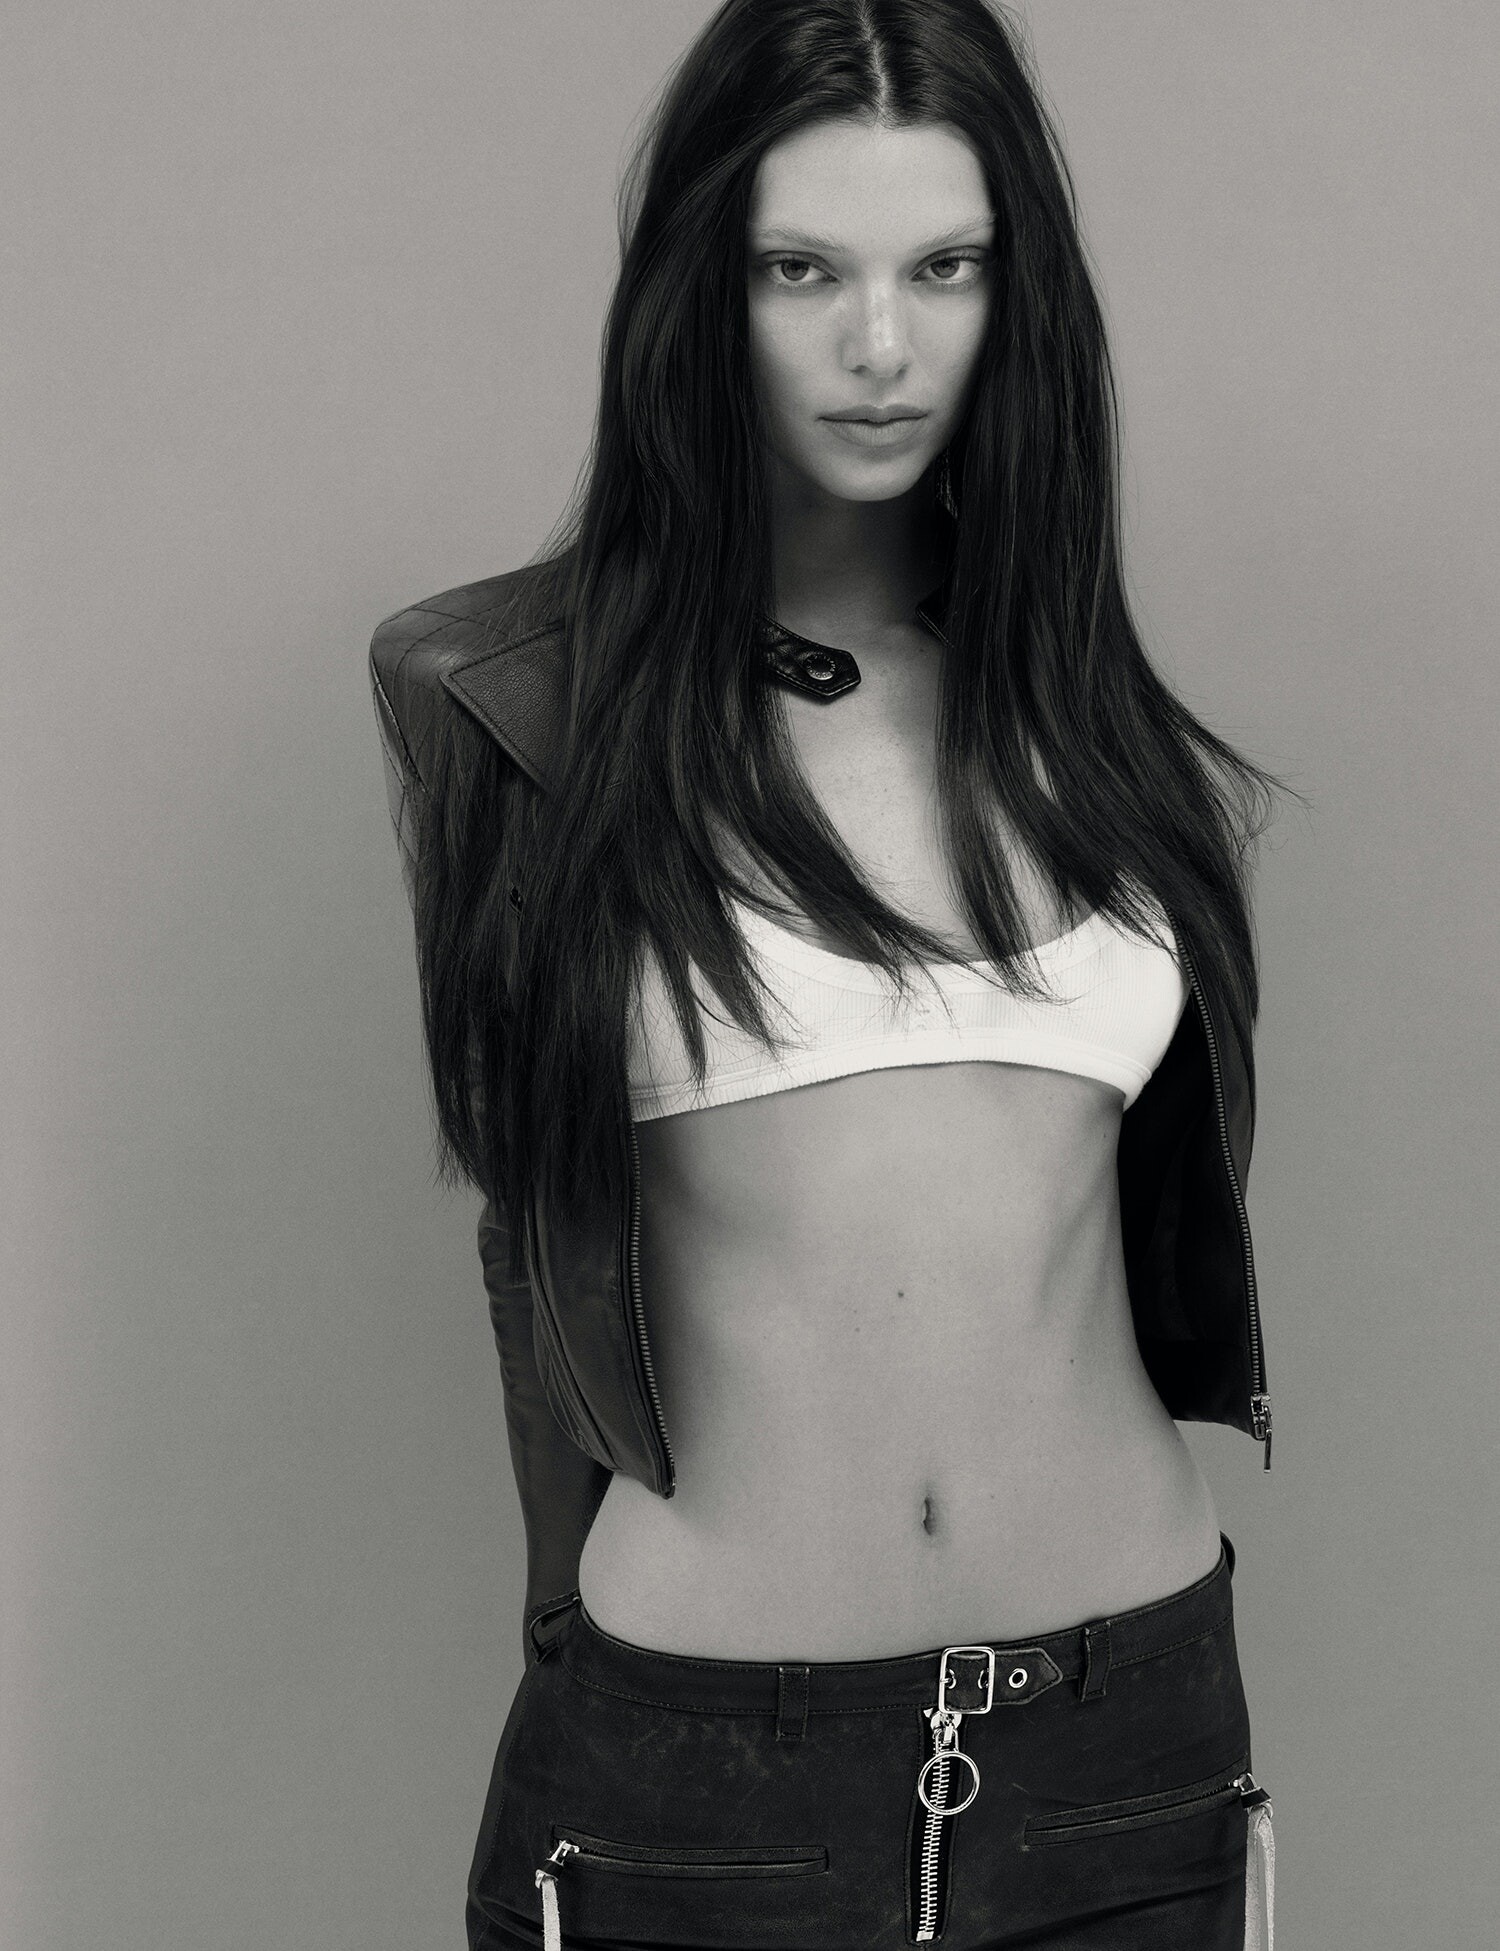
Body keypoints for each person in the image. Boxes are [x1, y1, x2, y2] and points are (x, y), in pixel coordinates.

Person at [370, 2, 1291, 1944]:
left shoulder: (1089, 716)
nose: (882, 345)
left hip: (1129, 1758)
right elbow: (529, 1235)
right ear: (698, 291)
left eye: (945, 267)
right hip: (706, 1788)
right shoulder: (520, 710)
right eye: (803, 270)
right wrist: (572, 1639)